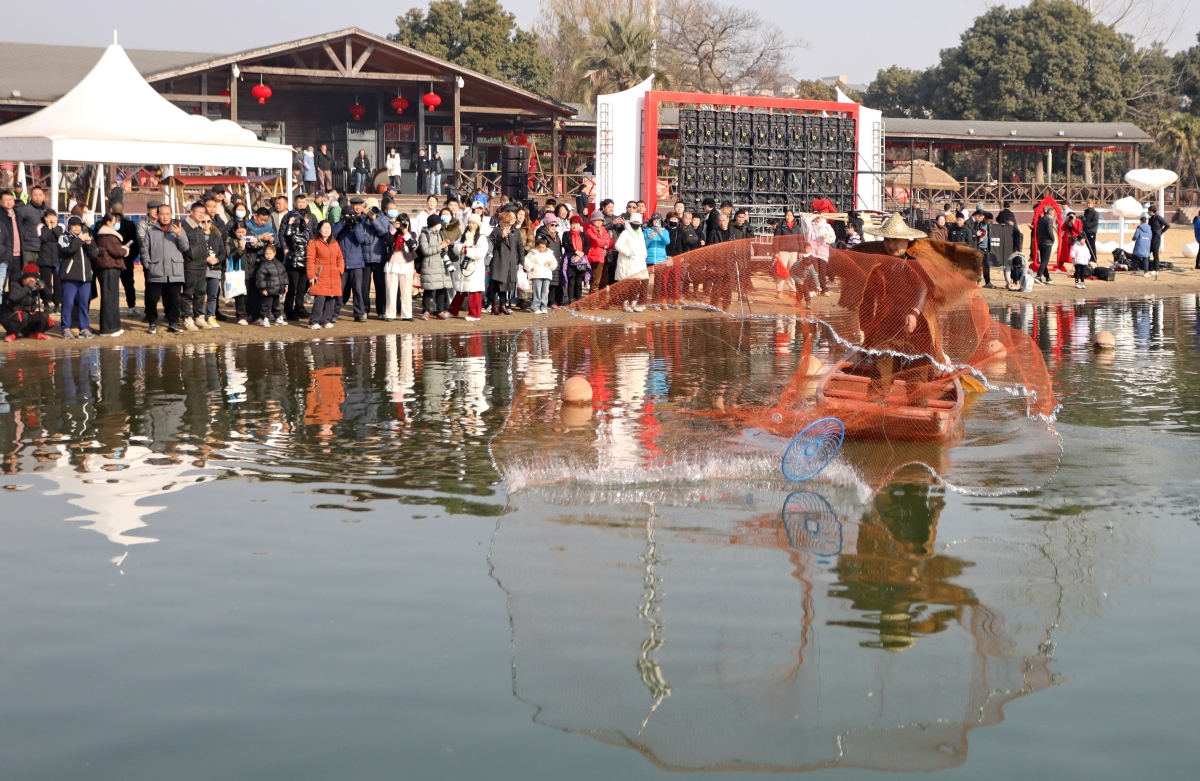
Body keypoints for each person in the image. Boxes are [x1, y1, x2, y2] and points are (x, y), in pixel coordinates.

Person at [334, 197, 390, 322]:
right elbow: (360, 237)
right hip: (364, 257)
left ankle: (381, 311)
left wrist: (374, 220)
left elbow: (384, 233)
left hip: (379, 256)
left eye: (374, 208)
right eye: (369, 208)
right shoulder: (361, 219)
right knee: (363, 287)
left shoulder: (383, 219)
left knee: (380, 286)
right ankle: (364, 310)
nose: (371, 210)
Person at [141, 204, 188, 334]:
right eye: (162, 214)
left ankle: (173, 323)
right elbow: (144, 250)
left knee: (174, 299)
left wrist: (179, 235)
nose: (165, 217)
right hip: (156, 270)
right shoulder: (151, 232)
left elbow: (185, 247)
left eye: (168, 214)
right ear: (158, 215)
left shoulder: (178, 229)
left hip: (174, 271)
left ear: (171, 215)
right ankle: (152, 323)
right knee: (152, 299)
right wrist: (148, 264)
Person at [57, 215, 98, 339]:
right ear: (69, 226)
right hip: (70, 276)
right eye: (74, 225)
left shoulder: (86, 236)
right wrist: (80, 239)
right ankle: (66, 328)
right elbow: (68, 250)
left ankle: (84, 328)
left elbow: (94, 254)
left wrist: (89, 243)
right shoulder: (64, 237)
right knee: (68, 303)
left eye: (79, 225)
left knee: (84, 303)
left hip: (85, 277)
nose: (76, 227)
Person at [93, 211, 130, 337]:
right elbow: (117, 251)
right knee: (110, 299)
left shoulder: (103, 234)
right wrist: (125, 249)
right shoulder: (108, 235)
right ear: (109, 222)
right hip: (109, 268)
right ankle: (109, 328)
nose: (117, 223)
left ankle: (112, 327)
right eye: (115, 221)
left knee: (110, 298)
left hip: (107, 268)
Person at [280, 194, 316, 319]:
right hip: (294, 261)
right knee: (292, 287)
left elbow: (311, 235)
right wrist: (290, 224)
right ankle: (289, 310)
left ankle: (300, 308)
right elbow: (285, 235)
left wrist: (305, 224)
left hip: (305, 261)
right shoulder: (292, 230)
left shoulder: (306, 231)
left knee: (301, 288)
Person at [304, 221, 342, 329]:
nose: (327, 230)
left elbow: (340, 258)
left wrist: (339, 269)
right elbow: (310, 260)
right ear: (319, 229)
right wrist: (311, 275)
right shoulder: (314, 242)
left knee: (331, 299)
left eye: (329, 228)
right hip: (320, 275)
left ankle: (325, 320)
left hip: (333, 275)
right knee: (320, 299)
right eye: (324, 228)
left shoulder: (334, 242)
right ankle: (314, 321)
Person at [1, 264, 52, 341]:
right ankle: (12, 334)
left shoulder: (35, 287)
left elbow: (48, 298)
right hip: (11, 318)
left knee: (44, 315)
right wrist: (28, 288)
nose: (33, 282)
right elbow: (13, 297)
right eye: (30, 280)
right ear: (23, 279)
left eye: (35, 279)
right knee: (23, 315)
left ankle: (35, 333)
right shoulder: (15, 284)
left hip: (27, 317)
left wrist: (44, 288)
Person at [418, 214, 451, 319]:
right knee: (428, 289)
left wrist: (445, 245)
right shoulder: (424, 234)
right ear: (433, 224)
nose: (440, 225)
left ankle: (440, 310)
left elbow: (442, 250)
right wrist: (440, 246)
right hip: (429, 264)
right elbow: (425, 250)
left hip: (440, 265)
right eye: (439, 223)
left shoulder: (440, 233)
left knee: (441, 288)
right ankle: (426, 310)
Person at [489, 210, 522, 315]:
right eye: (504, 222)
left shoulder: (515, 232)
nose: (506, 225)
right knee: (494, 285)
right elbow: (492, 246)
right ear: (500, 221)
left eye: (508, 223)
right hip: (498, 261)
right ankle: (494, 306)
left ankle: (503, 305)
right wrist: (501, 237)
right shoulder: (496, 231)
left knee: (505, 285)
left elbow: (519, 247)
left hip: (510, 262)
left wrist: (521, 260)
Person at [384, 215, 417, 321]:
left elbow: (413, 245)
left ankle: (407, 314)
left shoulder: (412, 234)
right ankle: (390, 314)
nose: (403, 224)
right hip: (392, 264)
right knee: (391, 291)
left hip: (406, 265)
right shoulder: (393, 233)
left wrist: (405, 232)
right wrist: (394, 228)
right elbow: (387, 241)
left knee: (407, 292)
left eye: (405, 221)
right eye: (401, 222)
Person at [615, 212, 649, 312]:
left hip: (639, 262)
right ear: (630, 222)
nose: (636, 223)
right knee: (626, 284)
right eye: (634, 221)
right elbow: (618, 245)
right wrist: (628, 253)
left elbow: (643, 246)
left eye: (638, 222)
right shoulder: (625, 233)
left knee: (636, 283)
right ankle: (625, 303)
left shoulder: (641, 234)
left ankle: (634, 303)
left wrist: (644, 255)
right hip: (627, 262)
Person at [224, 222, 256, 325]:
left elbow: (260, 245)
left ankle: (252, 315)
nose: (241, 234)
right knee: (241, 294)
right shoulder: (230, 240)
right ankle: (241, 316)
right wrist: (240, 248)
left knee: (252, 294)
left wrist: (254, 243)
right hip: (239, 270)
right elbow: (231, 255)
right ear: (234, 231)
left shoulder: (250, 236)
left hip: (252, 268)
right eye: (238, 232)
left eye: (243, 231)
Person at [523, 235, 557, 315]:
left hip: (547, 274)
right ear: (536, 246)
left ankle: (544, 307)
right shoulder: (532, 253)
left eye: (543, 247)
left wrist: (550, 264)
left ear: (546, 246)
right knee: (537, 291)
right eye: (539, 247)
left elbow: (554, 263)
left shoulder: (550, 253)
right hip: (536, 274)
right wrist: (532, 267)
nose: (541, 249)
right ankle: (535, 307)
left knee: (545, 292)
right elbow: (526, 261)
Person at [36, 210, 62, 311]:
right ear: (45, 218)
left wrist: (54, 228)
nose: (51, 219)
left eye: (53, 216)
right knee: (45, 282)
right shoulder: (41, 227)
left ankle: (57, 304)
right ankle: (46, 302)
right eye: (49, 217)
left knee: (58, 283)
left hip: (57, 260)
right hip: (44, 259)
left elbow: (61, 238)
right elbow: (43, 238)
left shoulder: (61, 227)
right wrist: (49, 228)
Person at [561, 215, 589, 305]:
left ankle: (578, 300)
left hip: (581, 260)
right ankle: (571, 300)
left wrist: (582, 254)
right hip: (570, 259)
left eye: (576, 223)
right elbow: (565, 245)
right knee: (571, 281)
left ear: (580, 225)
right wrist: (576, 252)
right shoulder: (566, 234)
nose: (574, 225)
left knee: (578, 282)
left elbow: (588, 245)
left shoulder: (583, 234)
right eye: (573, 223)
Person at [585, 211, 613, 295]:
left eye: (600, 220)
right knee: (595, 281)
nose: (599, 221)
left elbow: (611, 242)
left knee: (604, 281)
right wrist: (606, 242)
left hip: (604, 257)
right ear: (592, 221)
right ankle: (592, 301)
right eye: (596, 219)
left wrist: (606, 245)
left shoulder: (603, 230)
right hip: (595, 257)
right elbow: (597, 242)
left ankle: (602, 301)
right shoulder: (589, 230)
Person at [0, 189, 21, 295]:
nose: (9, 202)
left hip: (18, 255)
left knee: (15, 283)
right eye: (6, 200)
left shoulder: (18, 214)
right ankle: (2, 308)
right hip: (4, 255)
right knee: (2, 284)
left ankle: (14, 308)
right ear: (1, 201)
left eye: (11, 199)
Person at [644, 214, 669, 300]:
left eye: (658, 220)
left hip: (660, 259)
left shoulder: (665, 231)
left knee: (658, 282)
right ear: (651, 221)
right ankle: (642, 301)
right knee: (645, 281)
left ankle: (656, 301)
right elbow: (644, 245)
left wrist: (661, 233)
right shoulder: (647, 230)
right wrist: (650, 238)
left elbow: (667, 242)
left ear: (661, 221)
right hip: (649, 259)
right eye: (654, 220)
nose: (656, 222)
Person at [1035, 208, 1057, 284]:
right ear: (1051, 214)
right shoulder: (1049, 220)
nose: (1054, 217)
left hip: (1041, 241)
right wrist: (1053, 239)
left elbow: (1037, 231)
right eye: (1054, 215)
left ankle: (1047, 277)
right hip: (1047, 242)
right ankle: (1038, 276)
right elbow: (1050, 231)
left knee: (1043, 260)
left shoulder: (1040, 220)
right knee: (1045, 261)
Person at [1148, 205, 1169, 273]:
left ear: (1152, 211)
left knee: (1155, 252)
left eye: (1148, 211)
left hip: (1156, 237)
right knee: (1148, 252)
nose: (1148, 212)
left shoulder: (1158, 217)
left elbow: (1167, 225)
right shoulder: (1151, 218)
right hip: (1150, 236)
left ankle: (1156, 268)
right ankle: (1147, 266)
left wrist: (1161, 232)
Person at [1082, 198, 1100, 263]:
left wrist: (1087, 225)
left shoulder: (1095, 213)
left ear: (1093, 204)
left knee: (1091, 245)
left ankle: (1093, 258)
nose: (1088, 205)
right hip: (1085, 231)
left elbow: (1095, 222)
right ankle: (1088, 257)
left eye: (1089, 203)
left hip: (1091, 231)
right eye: (1087, 203)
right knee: (1086, 245)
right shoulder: (1086, 212)